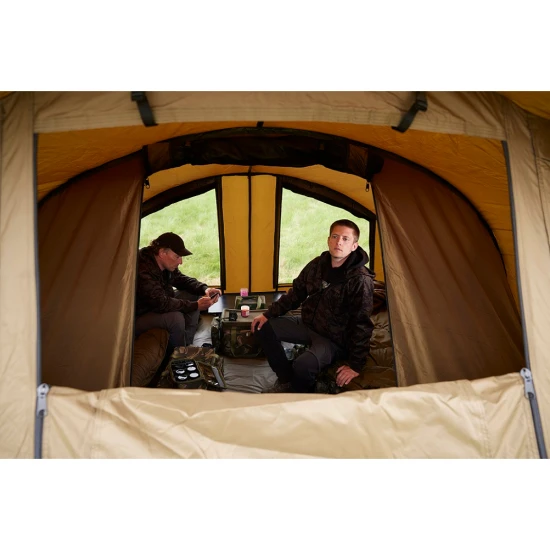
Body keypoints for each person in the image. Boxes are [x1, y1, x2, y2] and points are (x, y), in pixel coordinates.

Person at [252, 219, 374, 393]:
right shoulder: (317, 264)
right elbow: (296, 294)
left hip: (333, 339)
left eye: (345, 239)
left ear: (354, 246)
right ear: (328, 240)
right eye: (335, 236)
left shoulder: (360, 280)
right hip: (308, 323)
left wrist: (355, 365)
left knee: (303, 365)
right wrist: (267, 314)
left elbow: (362, 324)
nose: (339, 242)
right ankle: (285, 379)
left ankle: (301, 395)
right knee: (261, 326)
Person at [135, 232, 221, 349]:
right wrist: (196, 305)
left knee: (194, 294)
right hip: (141, 315)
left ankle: (186, 343)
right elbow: (160, 303)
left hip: (159, 302)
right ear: (162, 253)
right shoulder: (142, 268)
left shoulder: (163, 263)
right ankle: (179, 355)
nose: (181, 262)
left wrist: (205, 289)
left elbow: (181, 279)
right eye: (177, 257)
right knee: (176, 318)